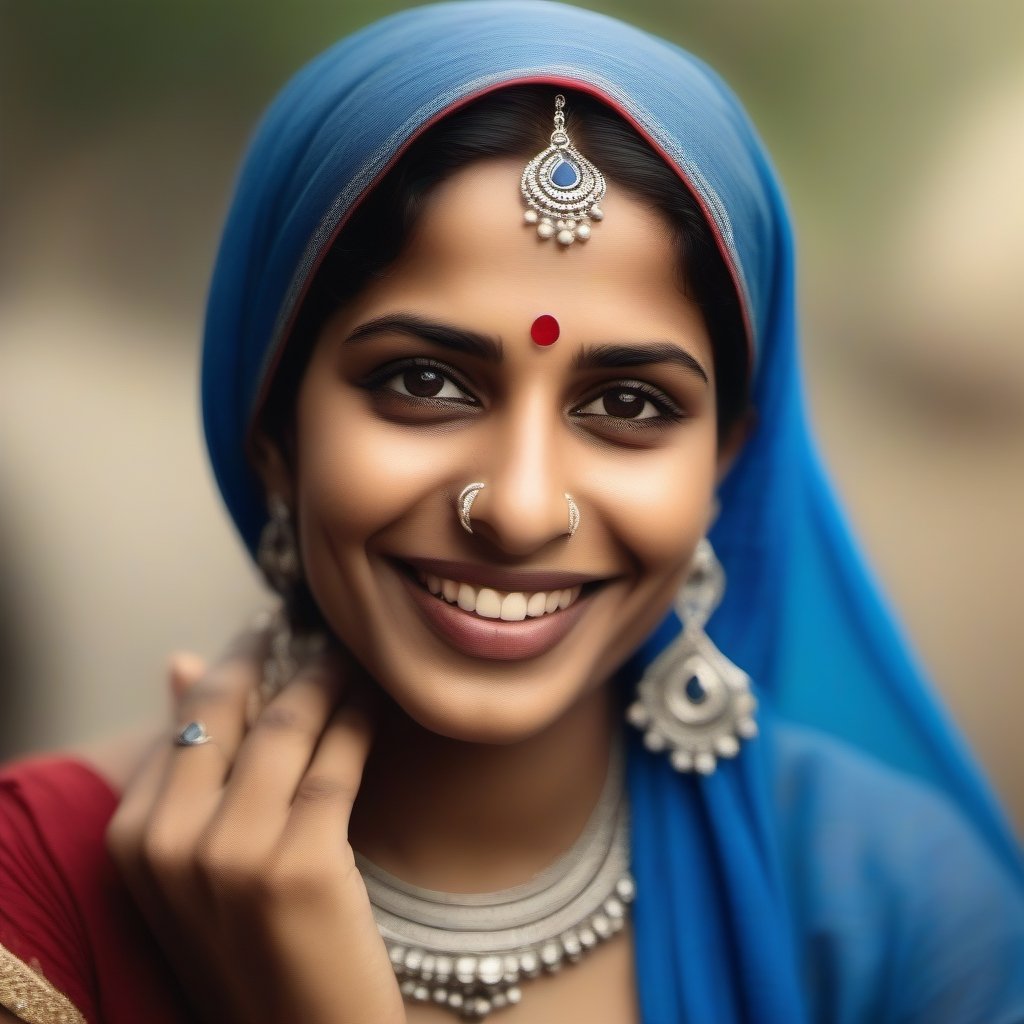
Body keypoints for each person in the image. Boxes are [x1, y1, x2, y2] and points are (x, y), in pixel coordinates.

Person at [1, 3, 1022, 1022]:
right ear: (271, 423)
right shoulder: (40, 888)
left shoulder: (905, 916)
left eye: (627, 404)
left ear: (724, 462)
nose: (523, 509)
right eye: (424, 382)